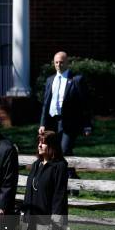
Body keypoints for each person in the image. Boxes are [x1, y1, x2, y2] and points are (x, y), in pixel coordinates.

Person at [38, 51, 92, 180]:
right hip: (52, 122)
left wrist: (87, 125)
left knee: (65, 149)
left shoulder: (76, 80)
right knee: (53, 151)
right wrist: (42, 123)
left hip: (69, 122)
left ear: (67, 63)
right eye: (56, 62)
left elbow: (85, 104)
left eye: (61, 62)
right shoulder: (50, 80)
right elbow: (46, 103)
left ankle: (72, 178)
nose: (59, 65)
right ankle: (66, 178)